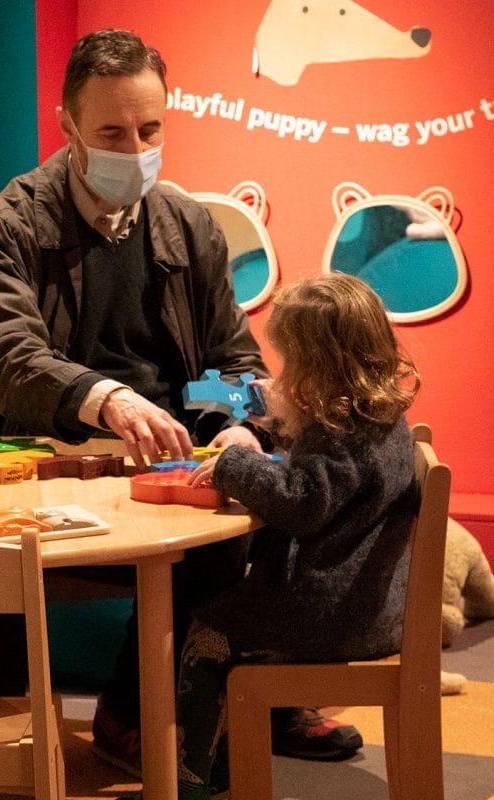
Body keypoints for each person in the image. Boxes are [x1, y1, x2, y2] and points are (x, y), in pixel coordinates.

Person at [0, 28, 360, 775]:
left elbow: (229, 359)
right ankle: (93, 717)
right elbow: (7, 358)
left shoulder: (188, 223)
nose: (134, 147)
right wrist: (106, 400)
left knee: (288, 482)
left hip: (174, 458)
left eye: (150, 129)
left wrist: (233, 426)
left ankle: (230, 688)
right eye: (111, 131)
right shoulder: (6, 226)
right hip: (52, 457)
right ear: (67, 124)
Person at [151, 273, 422, 800]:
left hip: (325, 614)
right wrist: (269, 431)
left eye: (291, 359)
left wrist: (234, 464)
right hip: (367, 608)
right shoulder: (376, 418)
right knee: (219, 616)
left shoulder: (344, 434)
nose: (285, 370)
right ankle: (223, 764)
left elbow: (301, 502)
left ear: (318, 363)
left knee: (205, 636)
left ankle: (195, 784)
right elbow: (326, 479)